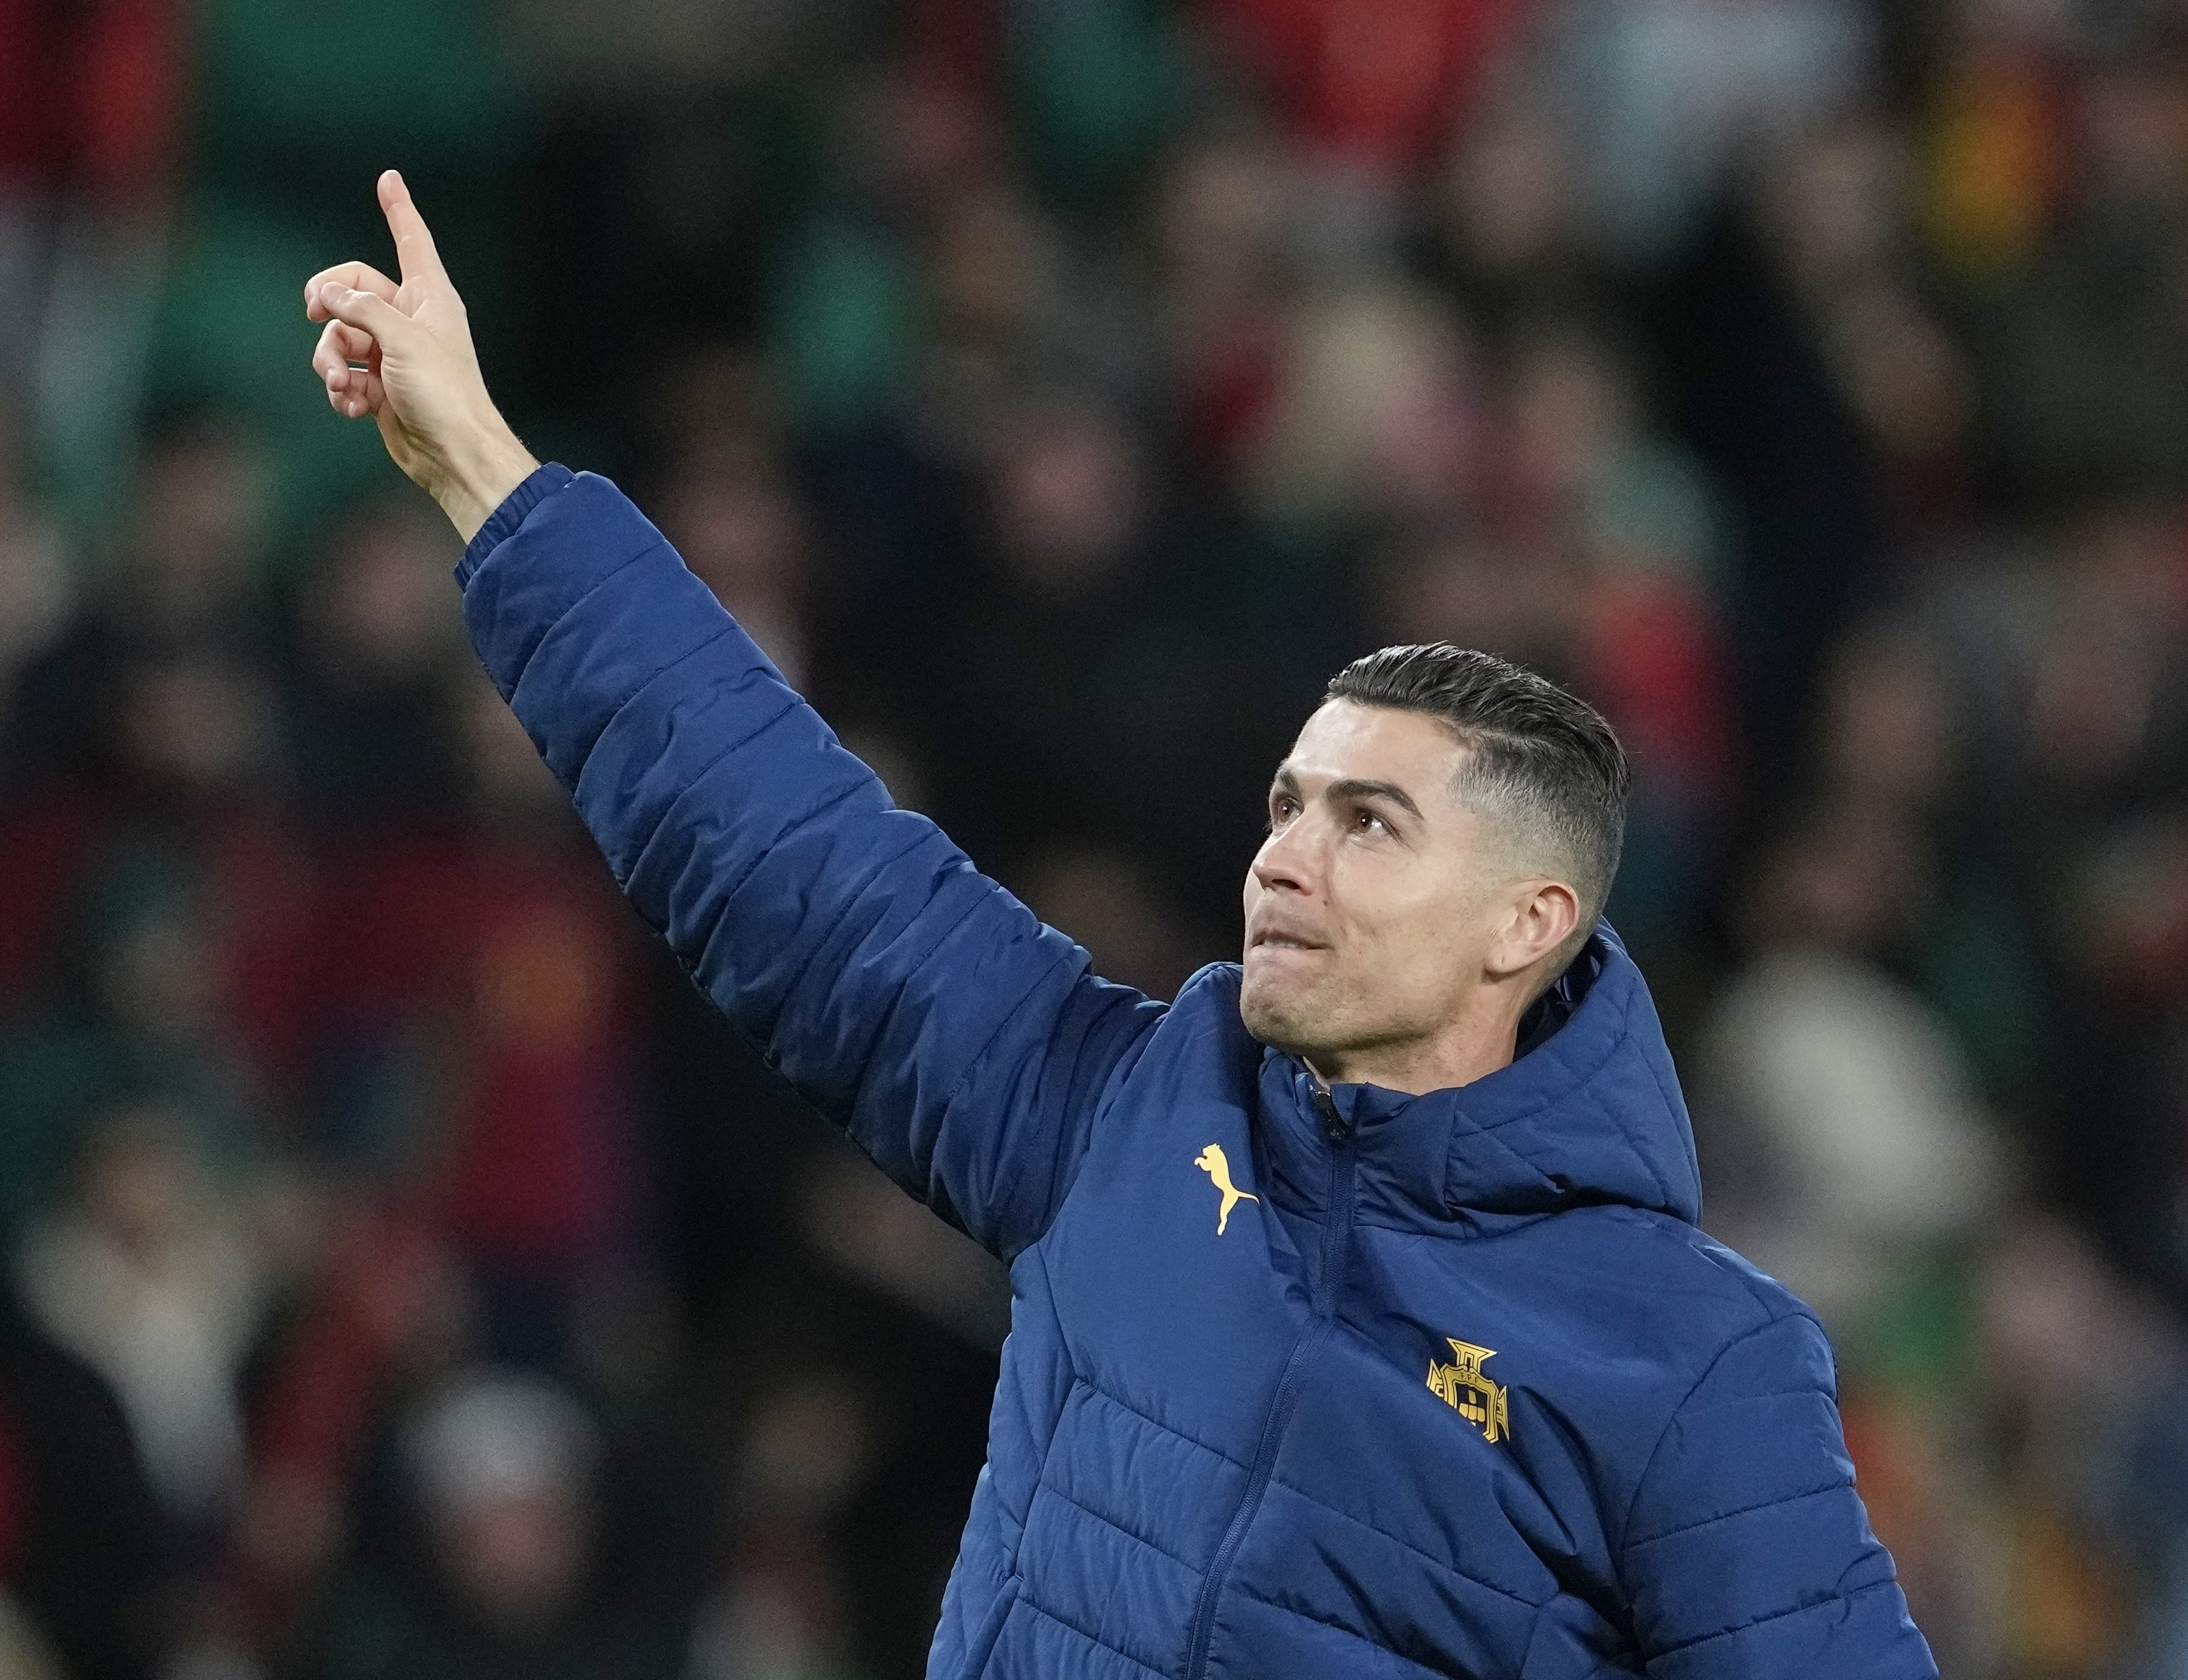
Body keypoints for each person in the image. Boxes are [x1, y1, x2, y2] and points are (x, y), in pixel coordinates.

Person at [300, 169, 1935, 1679]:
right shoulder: (1136, 1110)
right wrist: (487, 475)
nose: (1285, 858)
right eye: (1290, 803)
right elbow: (788, 847)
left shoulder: (1695, 1360)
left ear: (1530, 921)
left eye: (1368, 823)